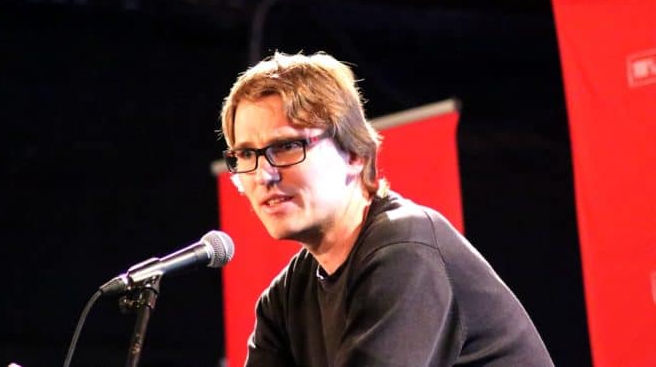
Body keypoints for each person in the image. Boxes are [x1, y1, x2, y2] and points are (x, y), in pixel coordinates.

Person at [219, 51, 554, 366]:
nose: (263, 174)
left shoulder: (404, 251)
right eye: (246, 154)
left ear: (354, 154)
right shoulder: (286, 297)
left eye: (287, 146)